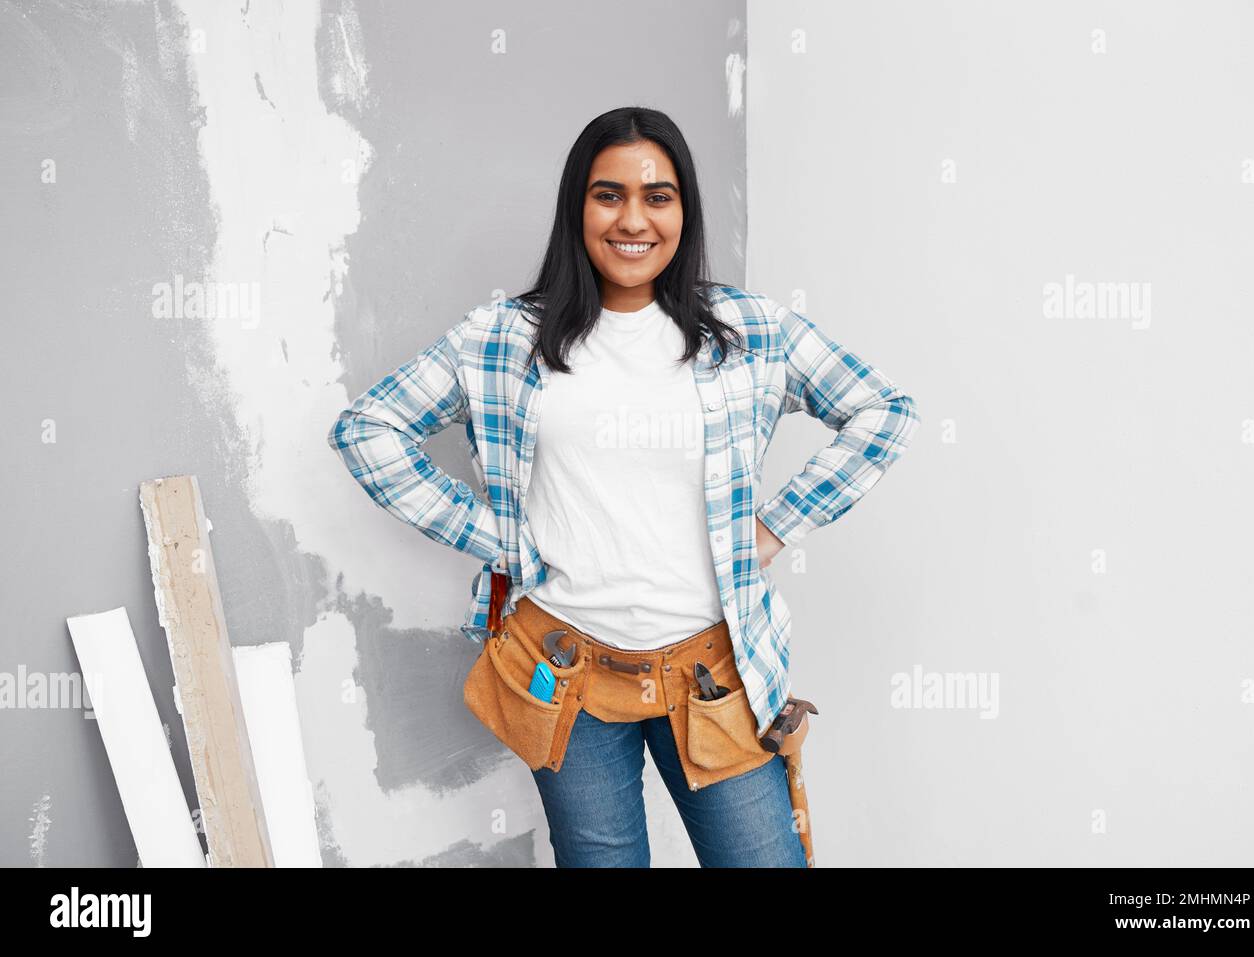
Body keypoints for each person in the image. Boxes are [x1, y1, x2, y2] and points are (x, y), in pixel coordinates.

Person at [328, 106, 920, 867]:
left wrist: (771, 530)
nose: (632, 219)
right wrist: (499, 540)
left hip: (712, 671)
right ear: (579, 205)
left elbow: (885, 410)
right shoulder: (502, 336)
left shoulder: (749, 331)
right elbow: (366, 430)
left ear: (684, 210)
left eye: (658, 196)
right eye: (609, 195)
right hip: (564, 673)